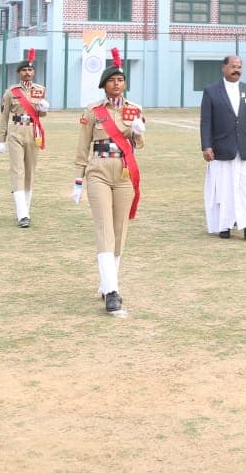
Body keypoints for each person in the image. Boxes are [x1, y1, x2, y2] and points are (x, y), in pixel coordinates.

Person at [72, 49, 144, 314]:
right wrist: (78, 179)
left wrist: (138, 132)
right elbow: (83, 147)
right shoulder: (93, 111)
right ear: (104, 84)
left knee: (120, 229)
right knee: (104, 228)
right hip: (99, 170)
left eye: (121, 80)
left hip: (124, 173)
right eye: (112, 80)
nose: (117, 83)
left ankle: (106, 282)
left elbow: (140, 144)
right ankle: (113, 291)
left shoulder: (134, 109)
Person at [200, 54, 246, 241]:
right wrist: (206, 146)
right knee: (225, 188)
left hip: (245, 148)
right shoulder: (211, 91)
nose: (237, 69)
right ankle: (225, 225)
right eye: (233, 66)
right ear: (224, 68)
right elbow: (206, 122)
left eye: (239, 66)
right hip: (222, 149)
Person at [0, 49, 48, 228]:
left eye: (30, 70)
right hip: (16, 131)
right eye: (24, 70)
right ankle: (22, 214)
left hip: (33, 132)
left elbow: (41, 115)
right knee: (17, 171)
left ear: (34, 72)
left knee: (30, 171)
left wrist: (43, 108)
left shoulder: (40, 90)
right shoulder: (11, 92)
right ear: (19, 73)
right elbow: (4, 116)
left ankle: (25, 209)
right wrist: (1, 139)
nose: (28, 73)